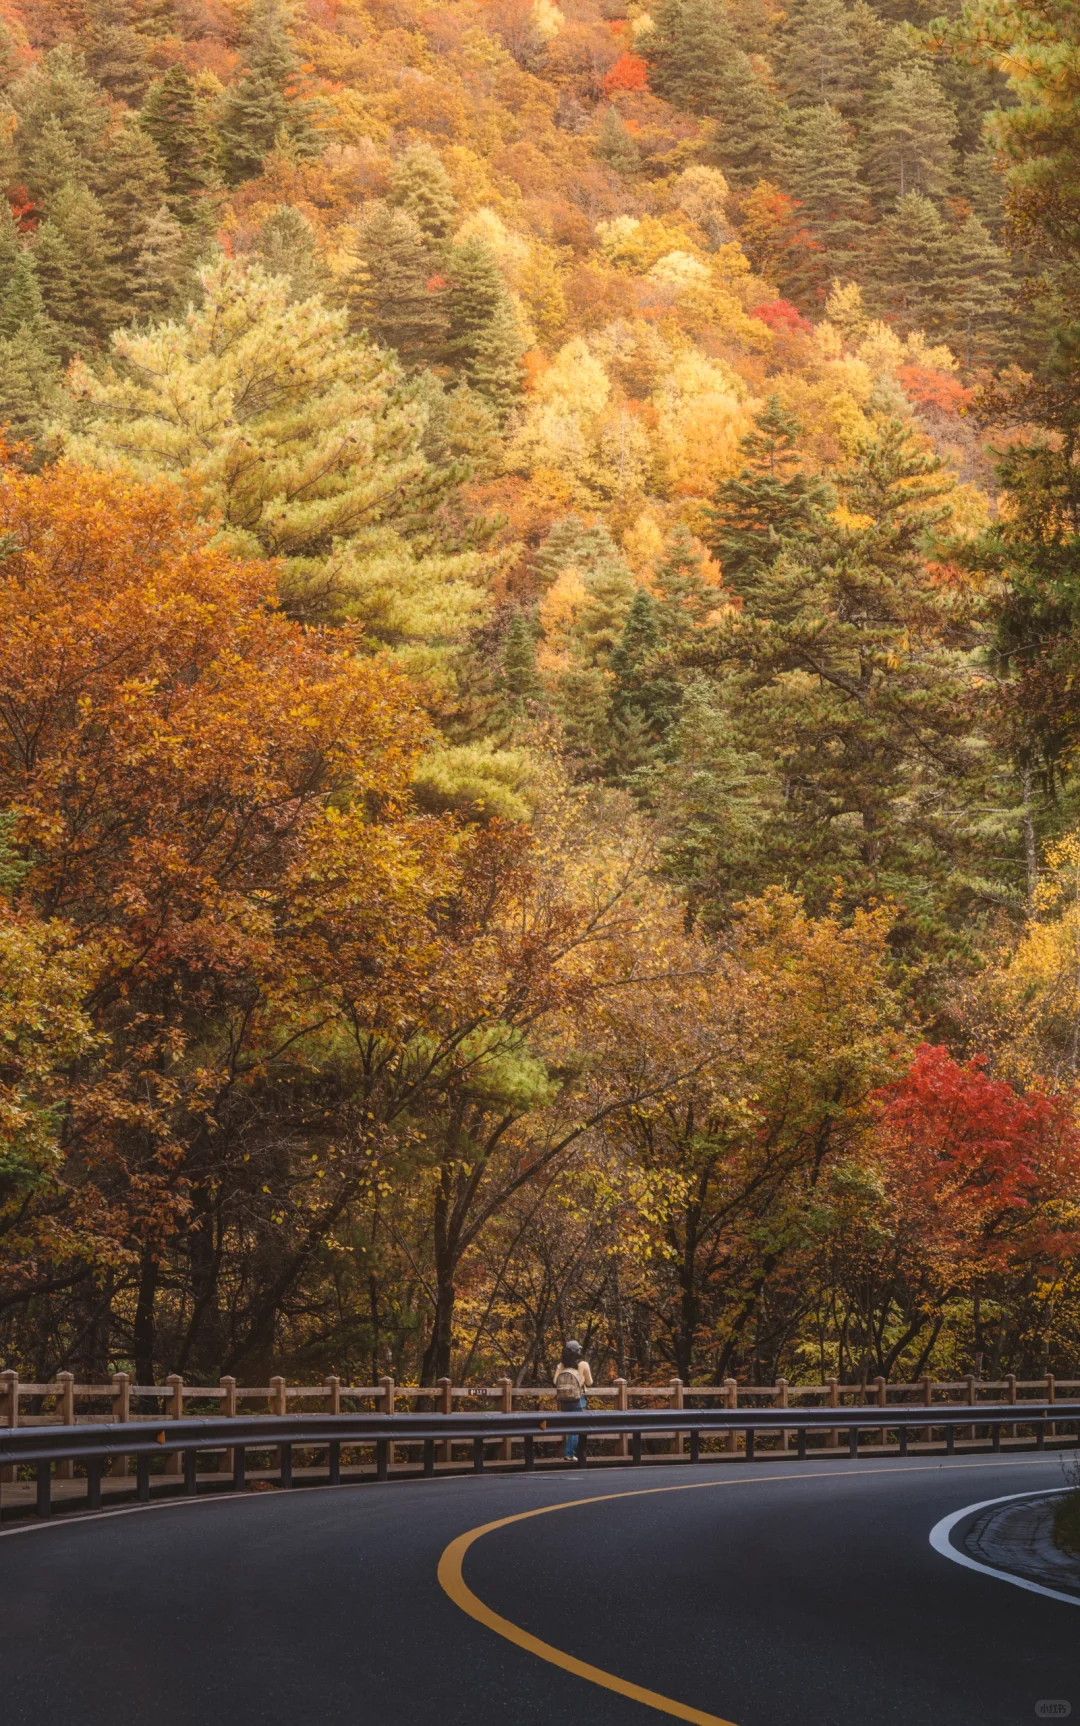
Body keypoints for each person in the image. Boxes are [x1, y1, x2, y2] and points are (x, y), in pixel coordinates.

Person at [554, 1340, 592, 1460]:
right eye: (579, 1349)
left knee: (570, 1426)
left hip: (564, 1399)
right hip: (578, 1398)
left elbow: (555, 1381)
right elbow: (590, 1382)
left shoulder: (561, 1365)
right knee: (577, 1427)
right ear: (577, 1351)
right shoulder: (583, 1364)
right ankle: (570, 1453)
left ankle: (571, 1452)